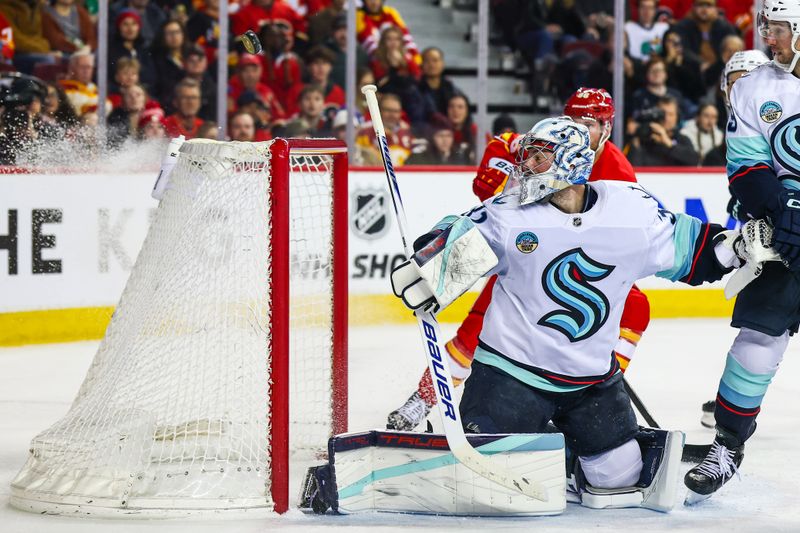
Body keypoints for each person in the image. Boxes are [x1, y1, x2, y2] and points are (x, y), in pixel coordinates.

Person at [391, 115, 739, 497]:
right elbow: (458, 240)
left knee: (619, 481)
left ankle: (566, 457)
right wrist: (430, 264)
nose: (526, 167)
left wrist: (737, 247)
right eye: (527, 157)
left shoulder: (629, 210)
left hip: (591, 382)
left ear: (572, 161)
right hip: (510, 376)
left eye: (539, 157)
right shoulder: (508, 214)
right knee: (490, 482)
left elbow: (694, 251)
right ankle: (538, 446)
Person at [387, 88, 650, 431]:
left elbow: (623, 241)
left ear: (607, 127)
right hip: (527, 256)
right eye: (573, 122)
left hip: (579, 269)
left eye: (589, 125)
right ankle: (423, 399)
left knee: (636, 307)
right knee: (474, 333)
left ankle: (595, 385)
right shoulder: (544, 141)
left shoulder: (619, 175)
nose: (580, 132)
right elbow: (498, 157)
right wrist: (500, 173)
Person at [684, 1, 800, 503]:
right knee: (760, 336)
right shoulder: (756, 87)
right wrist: (785, 210)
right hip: (783, 231)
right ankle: (728, 446)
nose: (766, 40)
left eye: (776, 30)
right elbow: (747, 168)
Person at [627, 95, 700, 166]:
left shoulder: (683, 139)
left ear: (677, 117)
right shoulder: (645, 138)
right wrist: (636, 140)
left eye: (671, 114)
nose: (666, 118)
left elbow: (694, 161)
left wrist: (669, 143)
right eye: (662, 113)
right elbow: (633, 167)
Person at [405, 113, 470, 166]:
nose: (445, 140)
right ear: (432, 138)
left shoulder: (461, 159)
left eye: (448, 136)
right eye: (440, 136)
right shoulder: (419, 159)